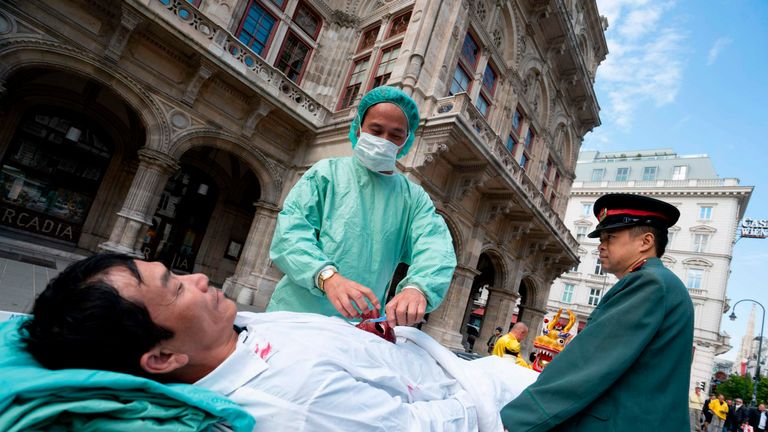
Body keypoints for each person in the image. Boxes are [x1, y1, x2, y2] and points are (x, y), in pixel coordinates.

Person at [21, 254, 538, 432]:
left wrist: (367, 342)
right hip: (502, 401)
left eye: (176, 271)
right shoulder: (295, 403)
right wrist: (481, 389)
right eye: (175, 288)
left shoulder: (235, 331)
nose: (200, 277)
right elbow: (427, 424)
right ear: (161, 357)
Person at [499, 193, 694, 430]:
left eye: (610, 237)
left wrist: (518, 419)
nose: (601, 246)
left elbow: (589, 361)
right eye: (601, 238)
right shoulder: (659, 282)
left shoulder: (649, 284)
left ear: (646, 242)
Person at [267, 86, 456, 328]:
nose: (384, 141)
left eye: (395, 135)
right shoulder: (326, 174)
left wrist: (418, 288)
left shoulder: (413, 198)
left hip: (358, 328)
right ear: (359, 128)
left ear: (406, 141)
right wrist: (328, 278)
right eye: (376, 130)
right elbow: (290, 234)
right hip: (294, 316)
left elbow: (436, 248)